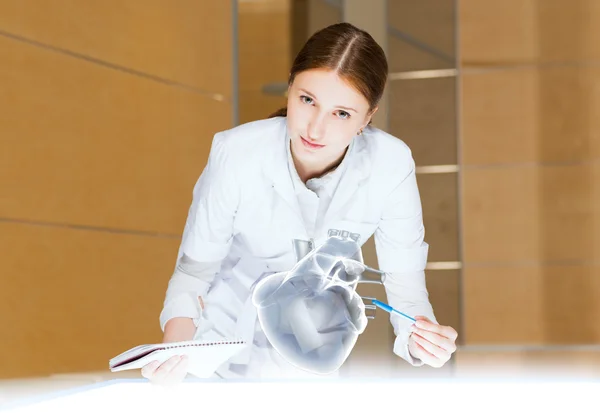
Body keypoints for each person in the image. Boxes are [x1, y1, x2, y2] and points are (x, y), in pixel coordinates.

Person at [141, 22, 458, 385]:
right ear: (290, 88)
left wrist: (423, 342)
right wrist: (176, 348)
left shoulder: (390, 165)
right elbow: (193, 274)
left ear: (367, 118)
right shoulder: (238, 153)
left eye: (342, 113)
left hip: (309, 366)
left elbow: (406, 291)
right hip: (216, 360)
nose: (316, 129)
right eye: (307, 100)